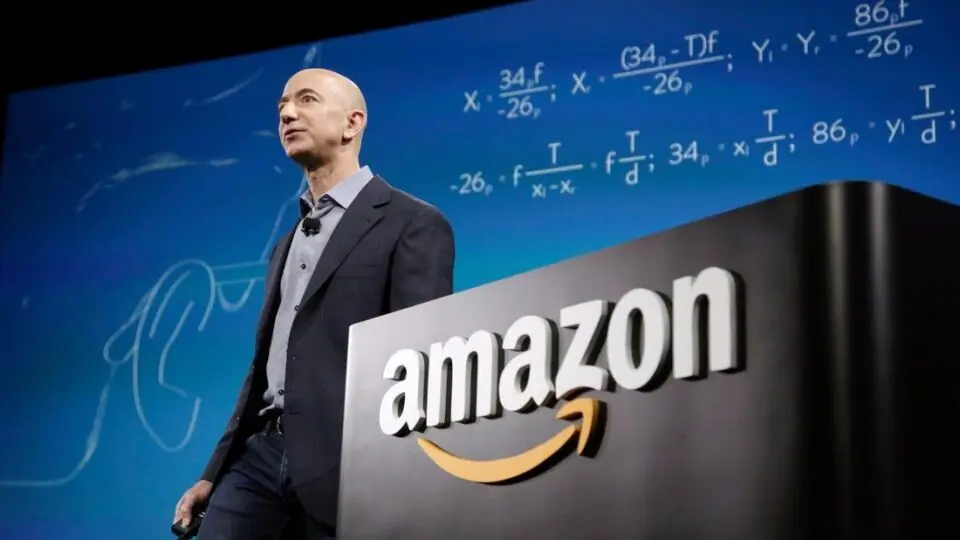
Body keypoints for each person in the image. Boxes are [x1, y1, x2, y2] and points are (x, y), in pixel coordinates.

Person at [172, 68, 456, 539]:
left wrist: (397, 477)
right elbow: (264, 369)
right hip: (259, 459)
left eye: (306, 100)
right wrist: (214, 472)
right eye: (282, 106)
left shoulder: (412, 223)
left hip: (348, 461)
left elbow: (420, 364)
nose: (287, 113)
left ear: (352, 123)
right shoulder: (285, 245)